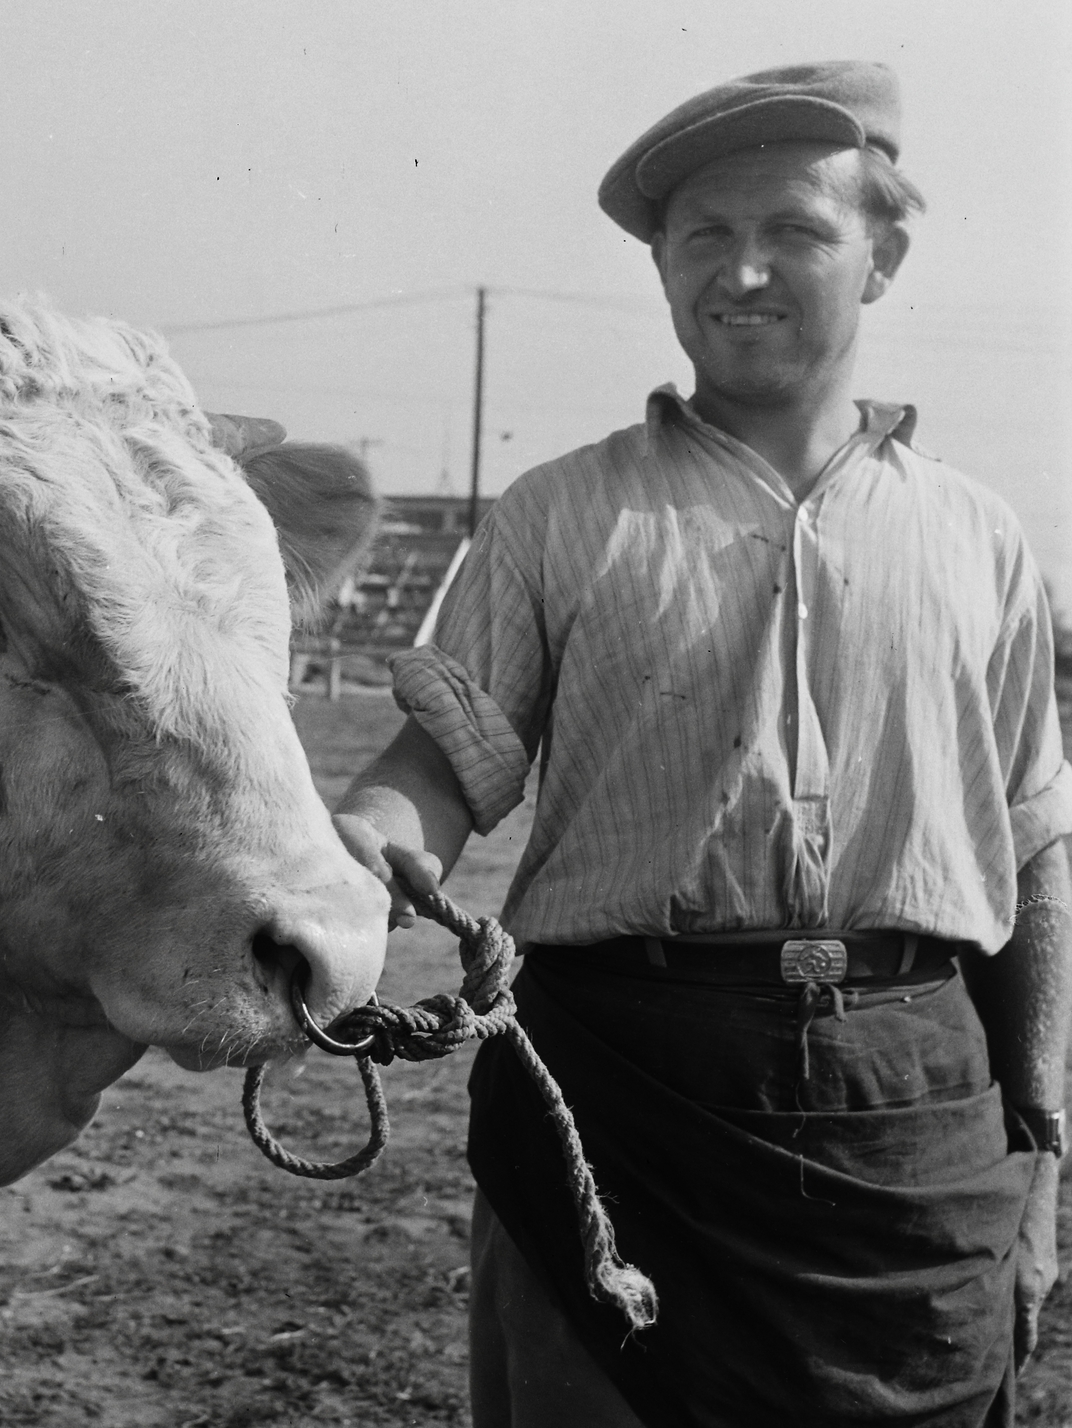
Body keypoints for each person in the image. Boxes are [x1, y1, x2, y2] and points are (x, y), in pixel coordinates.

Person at [333, 61, 1072, 1427]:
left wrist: (1043, 1146)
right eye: (702, 239)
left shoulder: (984, 540)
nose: (742, 273)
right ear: (665, 266)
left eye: (792, 231)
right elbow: (440, 773)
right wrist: (353, 853)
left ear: (884, 255)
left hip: (917, 1108)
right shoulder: (560, 513)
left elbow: (1033, 849)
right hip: (620, 1095)